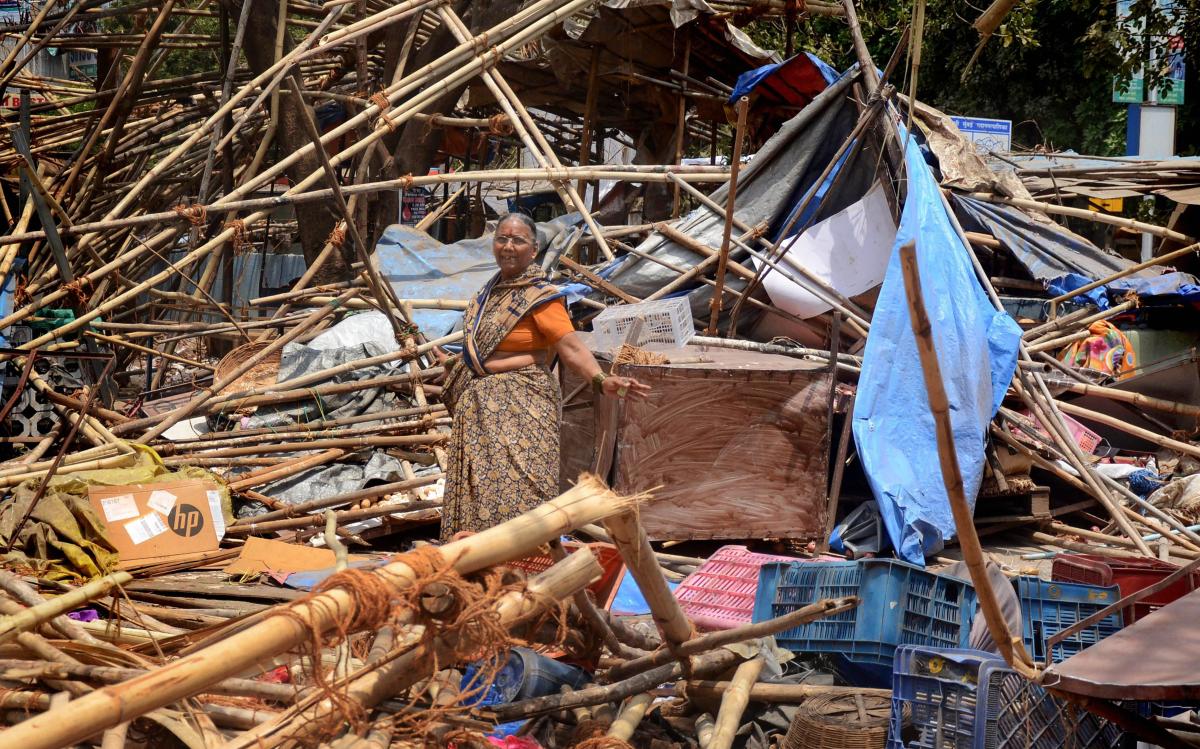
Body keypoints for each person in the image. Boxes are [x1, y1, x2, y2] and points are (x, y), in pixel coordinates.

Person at [439, 213, 649, 540]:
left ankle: (524, 562)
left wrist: (600, 380)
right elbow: (483, 351)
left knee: (521, 490)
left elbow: (570, 347)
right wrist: (460, 365)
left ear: (533, 249)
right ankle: (478, 565)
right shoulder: (488, 293)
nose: (508, 246)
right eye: (502, 238)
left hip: (523, 410)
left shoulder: (541, 297)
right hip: (480, 410)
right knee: (479, 490)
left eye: (518, 240)